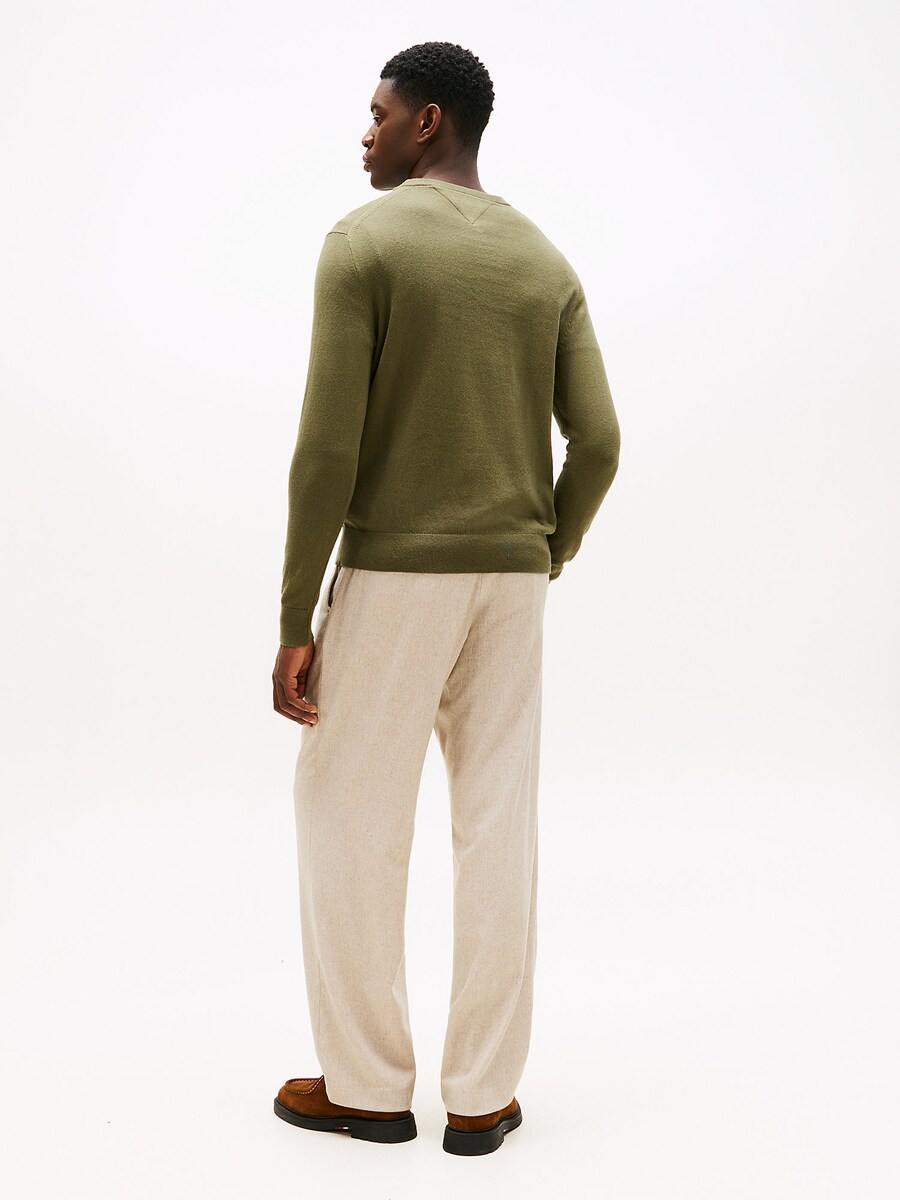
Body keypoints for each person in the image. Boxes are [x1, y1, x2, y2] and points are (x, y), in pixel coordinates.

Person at [271, 41, 621, 1156]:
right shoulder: (543, 261)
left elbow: (327, 451)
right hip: (513, 583)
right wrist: (546, 550)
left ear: (427, 121)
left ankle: (368, 1086)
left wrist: (295, 620)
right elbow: (600, 443)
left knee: (347, 814)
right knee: (497, 825)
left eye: (378, 113)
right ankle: (482, 1096)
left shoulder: (364, 243)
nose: (364, 132)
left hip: (395, 574)